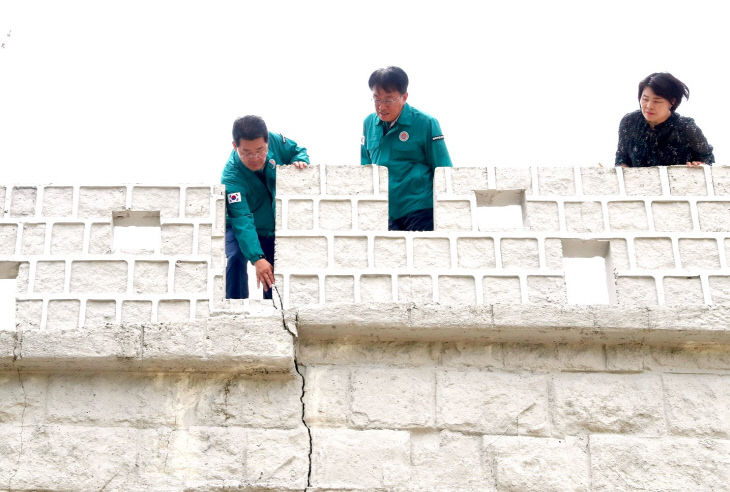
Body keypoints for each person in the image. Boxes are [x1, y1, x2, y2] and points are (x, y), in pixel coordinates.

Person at [222, 115, 309, 299]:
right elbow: (241, 219)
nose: (254, 158)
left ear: (268, 141)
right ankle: (236, 310)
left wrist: (300, 160)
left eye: (260, 150)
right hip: (240, 226)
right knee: (236, 258)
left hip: (270, 227)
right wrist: (256, 258)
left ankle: (275, 314)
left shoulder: (276, 141)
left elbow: (297, 150)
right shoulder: (231, 176)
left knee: (274, 269)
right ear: (234, 146)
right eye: (246, 152)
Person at [361, 66, 452, 231]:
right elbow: (365, 167)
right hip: (384, 212)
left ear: (404, 97)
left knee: (422, 255)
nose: (381, 107)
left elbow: (443, 168)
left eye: (388, 100)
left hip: (420, 209)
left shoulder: (426, 123)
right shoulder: (368, 124)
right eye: (377, 99)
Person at [615, 72, 714, 168]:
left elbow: (707, 159)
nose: (649, 106)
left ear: (672, 102)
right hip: (638, 184)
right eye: (645, 99)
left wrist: (699, 165)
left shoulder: (686, 128)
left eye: (656, 101)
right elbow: (621, 159)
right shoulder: (629, 122)